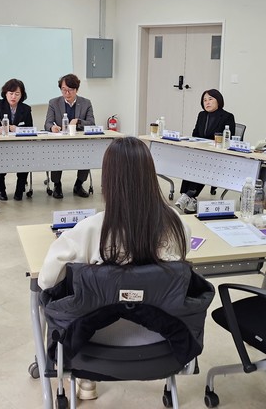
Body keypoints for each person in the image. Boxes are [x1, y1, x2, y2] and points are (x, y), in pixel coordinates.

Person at [39, 136, 191, 401]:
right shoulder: (177, 225)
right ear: (150, 176)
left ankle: (87, 381)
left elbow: (46, 281)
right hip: (160, 338)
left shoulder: (90, 229)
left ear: (108, 180)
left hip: (95, 341)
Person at [175, 89, 235, 213]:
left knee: (202, 163)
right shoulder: (202, 115)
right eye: (204, 100)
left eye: (210, 99)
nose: (207, 102)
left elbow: (228, 138)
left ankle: (187, 195)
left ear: (218, 101)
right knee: (194, 161)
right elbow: (195, 133)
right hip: (201, 152)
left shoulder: (227, 116)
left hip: (218, 155)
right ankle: (189, 198)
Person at [44, 73, 95, 199]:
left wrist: (78, 121)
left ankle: (79, 184)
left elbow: (91, 123)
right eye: (64, 90)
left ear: (76, 89)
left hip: (80, 142)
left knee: (87, 155)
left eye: (70, 90)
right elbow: (47, 123)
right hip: (60, 141)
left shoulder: (86, 103)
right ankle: (57, 185)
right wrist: (52, 128)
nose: (67, 93)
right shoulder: (54, 102)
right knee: (56, 155)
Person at [0, 78, 33, 201]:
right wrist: (4, 128)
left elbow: (30, 127)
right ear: (5, 94)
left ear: (22, 95)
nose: (13, 96)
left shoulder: (26, 109)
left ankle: (20, 190)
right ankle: (1, 189)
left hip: (21, 145)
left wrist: (17, 129)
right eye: (11, 93)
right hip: (3, 144)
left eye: (17, 94)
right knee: (0, 160)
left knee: (25, 160)